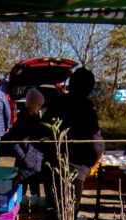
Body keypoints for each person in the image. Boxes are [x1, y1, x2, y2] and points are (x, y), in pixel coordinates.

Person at [43, 67, 103, 202]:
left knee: (53, 211)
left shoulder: (55, 105)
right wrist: (86, 166)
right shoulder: (87, 112)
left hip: (53, 170)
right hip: (73, 171)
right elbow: (96, 146)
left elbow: (40, 135)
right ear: (89, 89)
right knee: (67, 218)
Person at [4, 88, 51, 198]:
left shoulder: (37, 121)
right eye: (38, 105)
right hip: (23, 165)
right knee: (20, 194)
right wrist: (24, 158)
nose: (40, 108)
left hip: (35, 164)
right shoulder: (22, 121)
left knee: (36, 194)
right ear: (32, 104)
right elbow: (14, 142)